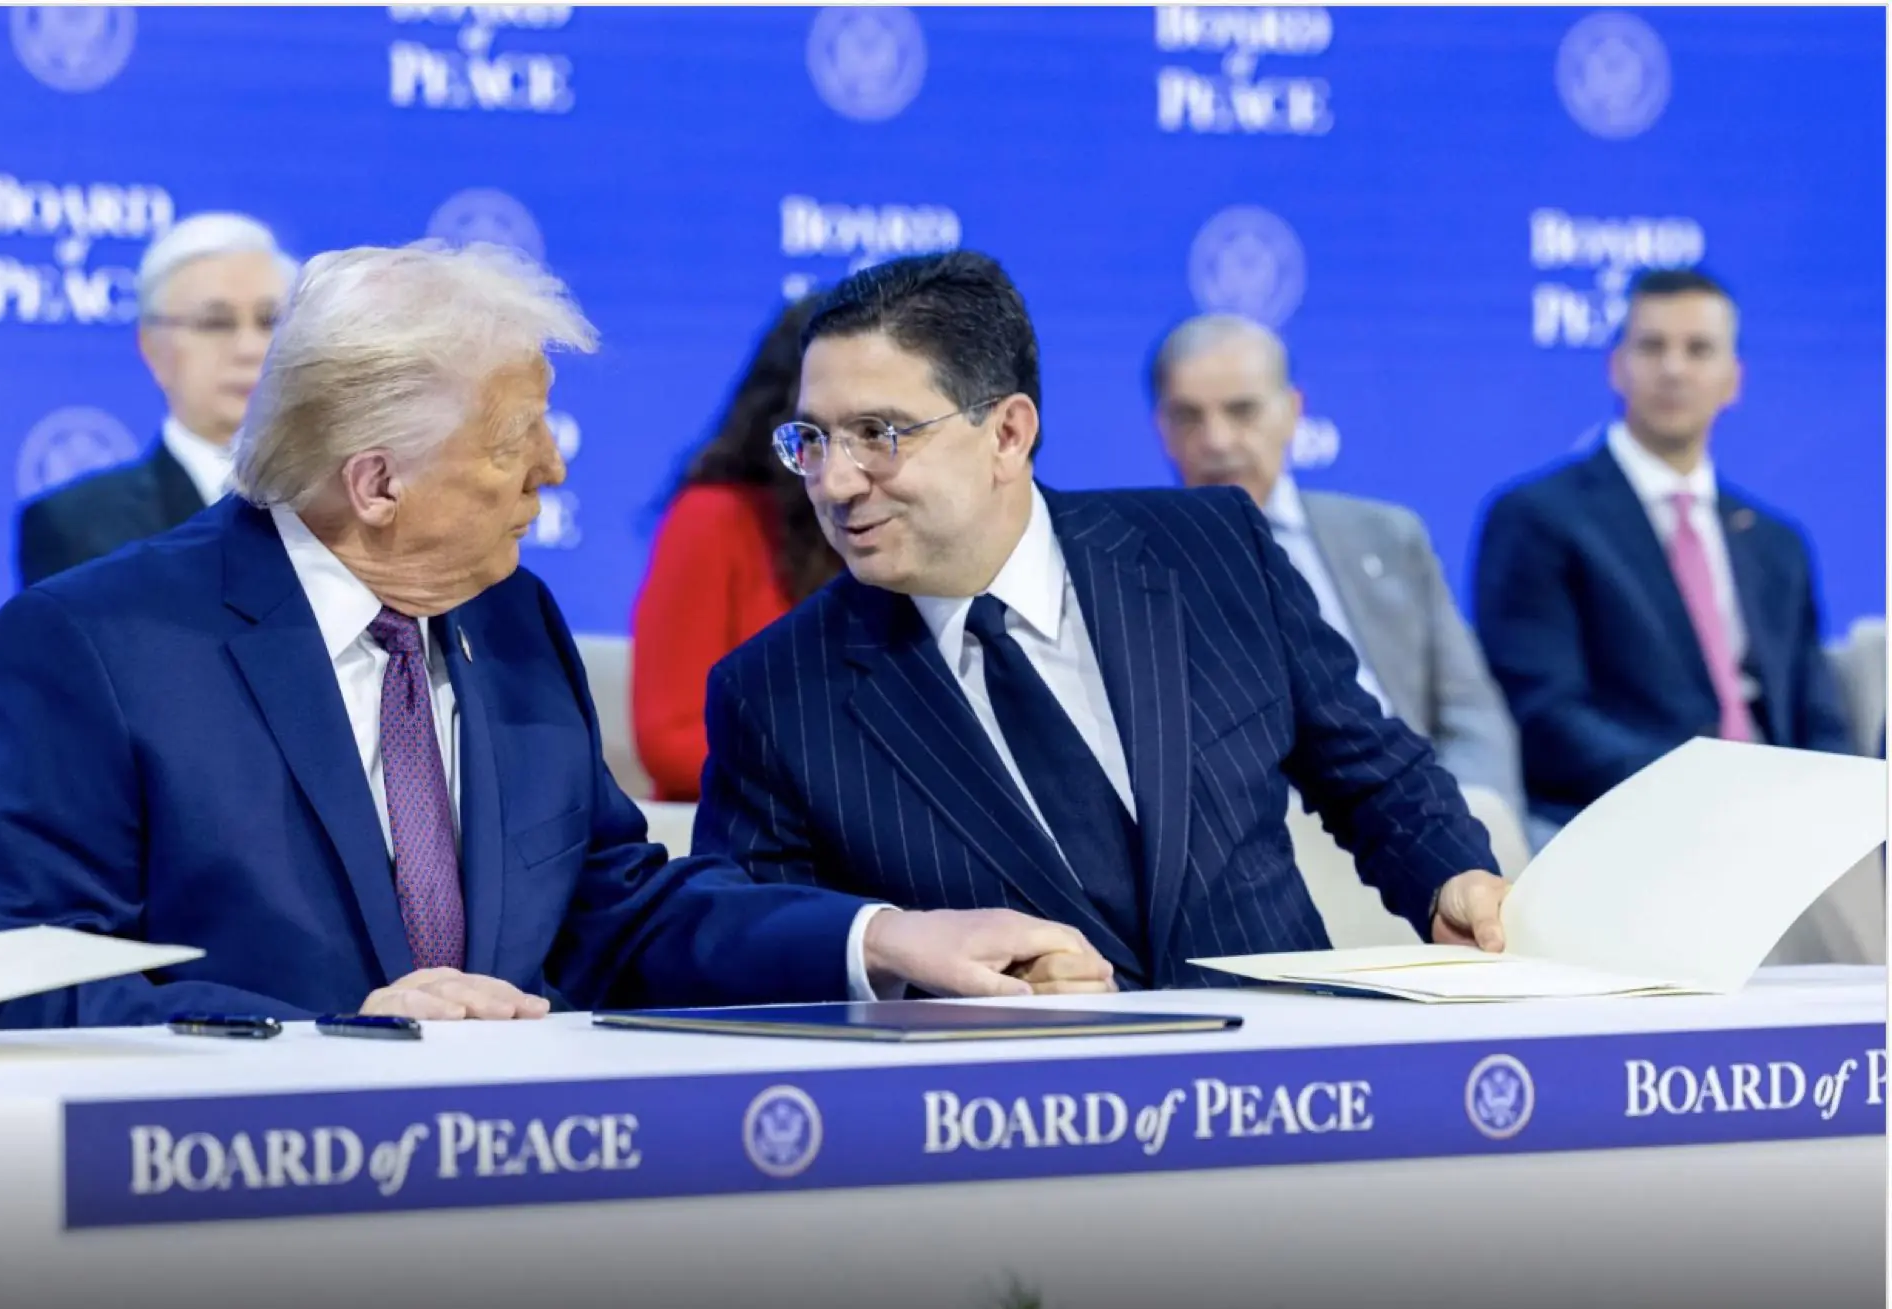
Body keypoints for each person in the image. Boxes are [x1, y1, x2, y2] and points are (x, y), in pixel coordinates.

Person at [0, 241, 1112, 1030]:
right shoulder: (96, 647)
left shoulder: (509, 619)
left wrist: (886, 939)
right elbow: (11, 983)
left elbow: (620, 915)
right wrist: (329, 1037)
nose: (553, 467)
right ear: (376, 482)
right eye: (515, 439)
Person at [692, 251, 1509, 992]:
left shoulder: (1210, 549)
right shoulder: (774, 693)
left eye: (878, 435)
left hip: (1288, 1072)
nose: (834, 482)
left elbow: (1372, 772)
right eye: (813, 439)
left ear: (1007, 433)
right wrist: (924, 983)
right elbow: (752, 957)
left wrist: (1450, 878)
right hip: (1013, 1098)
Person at [1474, 268, 1852, 843]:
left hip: (1779, 831)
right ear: (1616, 366)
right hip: (1623, 822)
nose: (1674, 368)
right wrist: (1698, 790)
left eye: (1698, 349)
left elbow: (1819, 717)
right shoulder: (1538, 518)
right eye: (1652, 347)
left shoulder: (1776, 542)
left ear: (1733, 380)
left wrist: (1826, 808)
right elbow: (1546, 715)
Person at [1149, 313, 1522, 814]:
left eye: (1242, 411)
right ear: (1162, 428)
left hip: (1417, 816)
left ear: (1292, 411)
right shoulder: (1134, 567)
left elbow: (1470, 714)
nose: (1216, 439)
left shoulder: (1388, 536)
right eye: (1188, 417)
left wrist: (1466, 814)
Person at [631, 295, 842, 800]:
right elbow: (669, 739)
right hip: (737, 835)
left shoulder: (896, 531)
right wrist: (837, 783)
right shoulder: (716, 518)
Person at [15, 212, 296, 587]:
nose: (250, 348)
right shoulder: (79, 524)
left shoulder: (347, 507)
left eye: (270, 321)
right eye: (215, 322)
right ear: (151, 347)